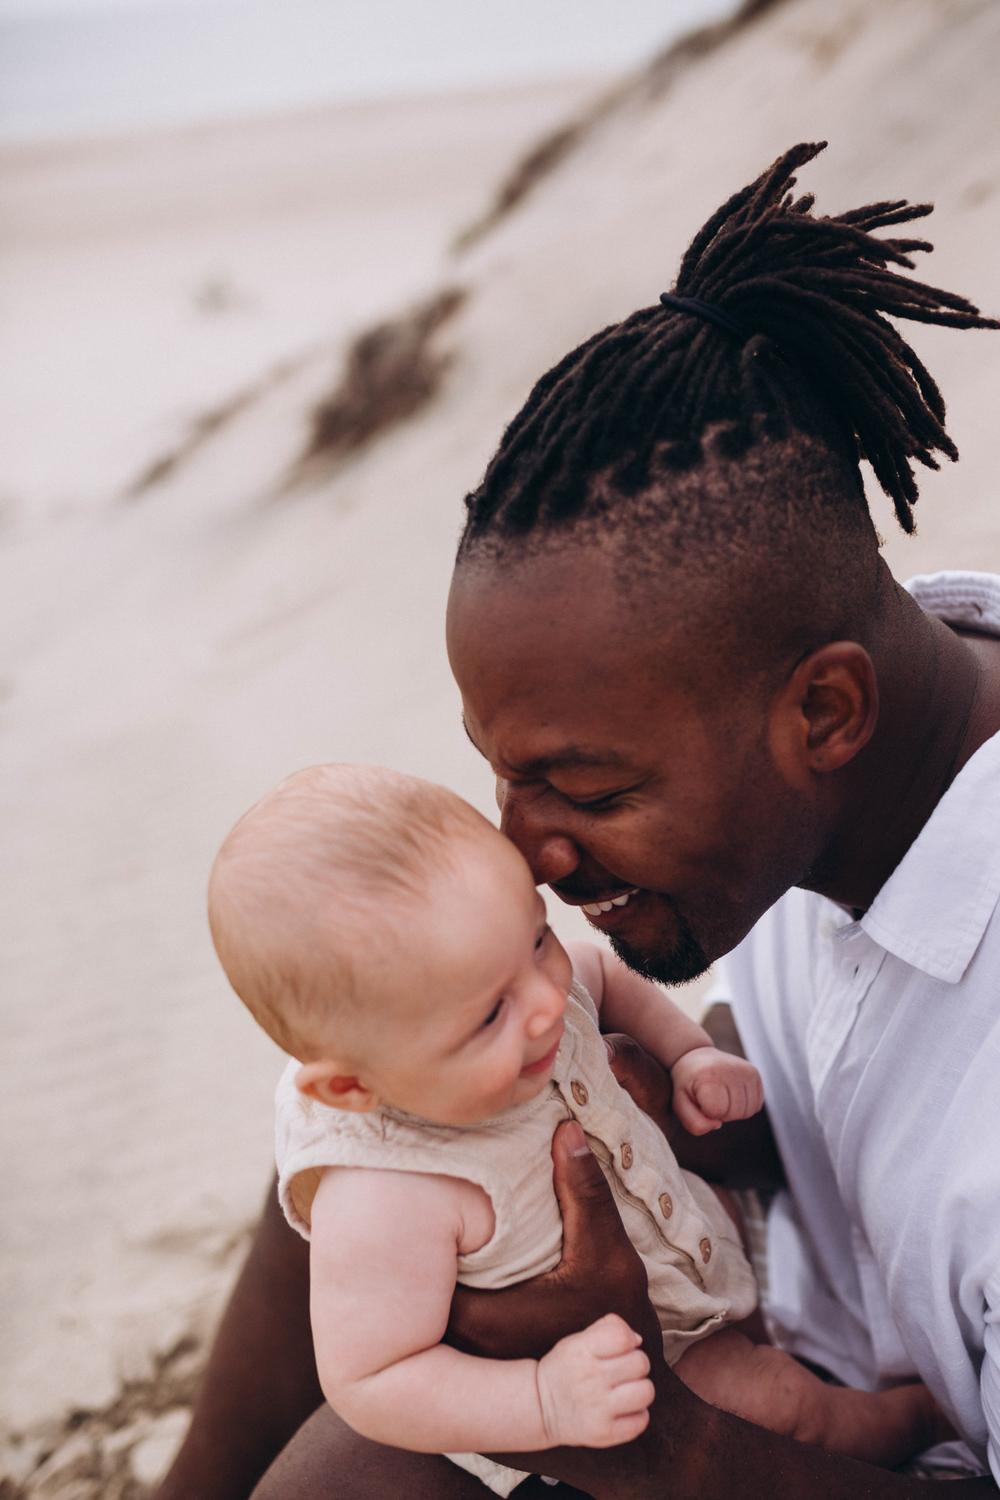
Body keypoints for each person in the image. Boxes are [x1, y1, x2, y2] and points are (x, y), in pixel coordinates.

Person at [157, 141, 1000, 1499]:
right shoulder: (909, 716)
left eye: (588, 788)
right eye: (503, 777)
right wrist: (687, 1089)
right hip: (780, 1282)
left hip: (815, 1435)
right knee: (389, 1088)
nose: (527, 854)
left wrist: (650, 1436)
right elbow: (864, 1061)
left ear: (825, 716)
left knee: (351, 1475)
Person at [206, 763, 946, 1496]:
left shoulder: (507, 988)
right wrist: (545, 1400)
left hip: (691, 1267)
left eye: (535, 940)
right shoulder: (387, 1194)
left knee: (766, 1353)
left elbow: (605, 975)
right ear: (351, 1087)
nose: (546, 1003)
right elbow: (370, 1377)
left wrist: (687, 1057)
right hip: (608, 1373)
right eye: (491, 1015)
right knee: (787, 1406)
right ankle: (913, 1424)